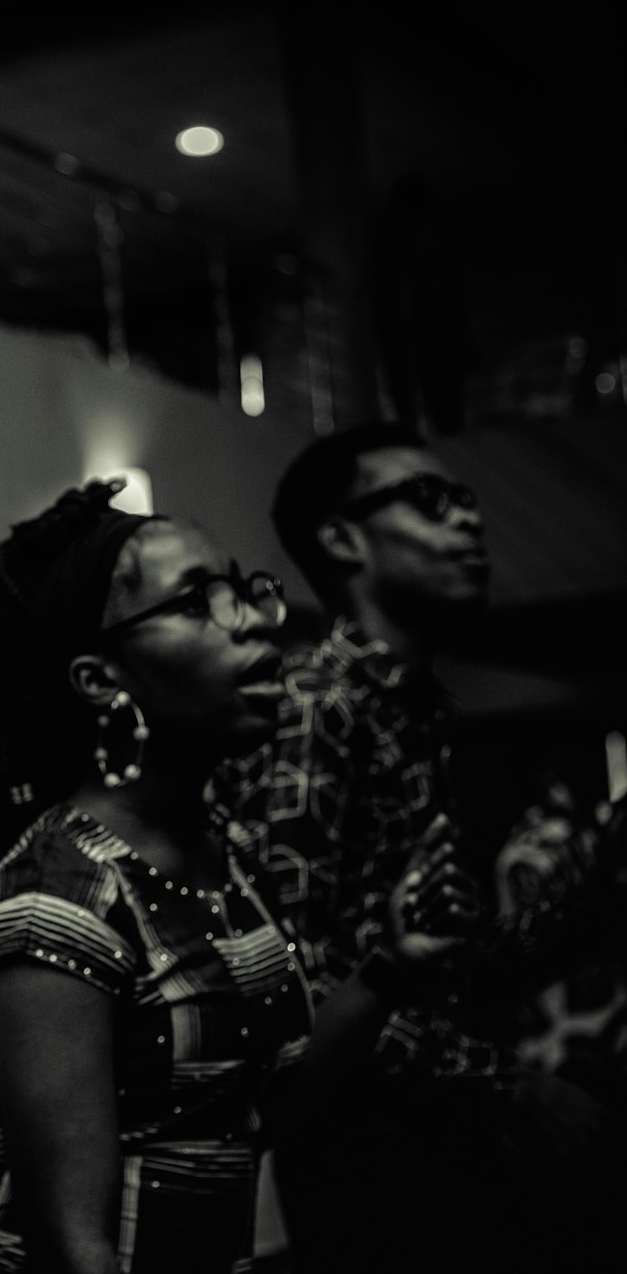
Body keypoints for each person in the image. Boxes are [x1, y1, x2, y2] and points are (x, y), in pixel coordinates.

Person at [0, 480, 471, 1274]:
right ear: (100, 679)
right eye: (197, 602)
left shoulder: (221, 849)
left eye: (244, 590)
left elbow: (268, 1104)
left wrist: (389, 968)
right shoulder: (56, 895)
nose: (257, 619)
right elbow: (71, 1247)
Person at [217, 427, 616, 1271]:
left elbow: (449, 972)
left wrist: (602, 879)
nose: (468, 521)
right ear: (340, 538)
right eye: (431, 502)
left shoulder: (413, 707)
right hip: (367, 1165)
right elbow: (292, 983)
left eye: (468, 500)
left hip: (433, 1151)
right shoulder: (315, 705)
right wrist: (507, 1086)